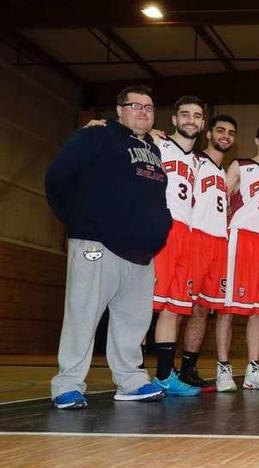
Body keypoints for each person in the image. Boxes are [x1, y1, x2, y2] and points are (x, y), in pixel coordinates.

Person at [46, 85, 170, 408]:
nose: (143, 111)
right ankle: (67, 385)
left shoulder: (153, 150)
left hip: (141, 254)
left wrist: (161, 224)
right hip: (97, 244)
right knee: (82, 315)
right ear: (119, 110)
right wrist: (80, 219)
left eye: (149, 107)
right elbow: (58, 175)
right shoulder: (96, 136)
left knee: (133, 323)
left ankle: (130, 381)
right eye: (136, 106)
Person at [214, 124, 259, 391]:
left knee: (258, 310)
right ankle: (223, 370)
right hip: (240, 238)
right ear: (257, 140)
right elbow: (220, 197)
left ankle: (253, 370)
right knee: (227, 308)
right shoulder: (240, 166)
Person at [149, 96, 206, 397]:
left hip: (187, 234)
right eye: (184, 114)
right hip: (161, 228)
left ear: (202, 123)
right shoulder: (157, 144)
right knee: (145, 306)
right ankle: (130, 373)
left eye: (197, 116)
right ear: (173, 120)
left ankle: (163, 376)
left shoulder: (196, 161)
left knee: (174, 308)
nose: (190, 120)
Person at [178, 114, 238, 389]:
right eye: (221, 131)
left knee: (203, 309)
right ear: (210, 134)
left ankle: (187, 369)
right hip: (196, 240)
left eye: (231, 133)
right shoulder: (194, 160)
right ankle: (157, 367)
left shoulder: (224, 175)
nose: (226, 136)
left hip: (219, 243)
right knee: (179, 307)